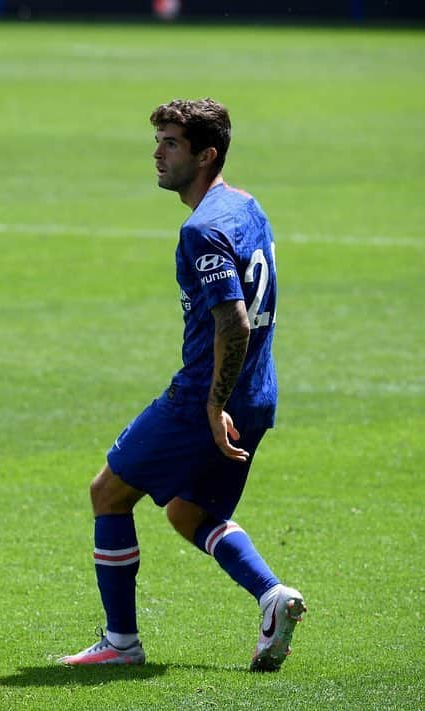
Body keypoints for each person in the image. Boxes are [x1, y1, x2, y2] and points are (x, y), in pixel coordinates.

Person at [58, 98, 305, 672]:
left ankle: (120, 643)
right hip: (259, 395)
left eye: (171, 143)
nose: (157, 153)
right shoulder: (246, 206)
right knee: (189, 514)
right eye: (159, 141)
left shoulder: (201, 230)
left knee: (108, 493)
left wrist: (214, 404)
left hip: (203, 399)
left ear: (206, 154)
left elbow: (234, 319)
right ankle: (272, 597)